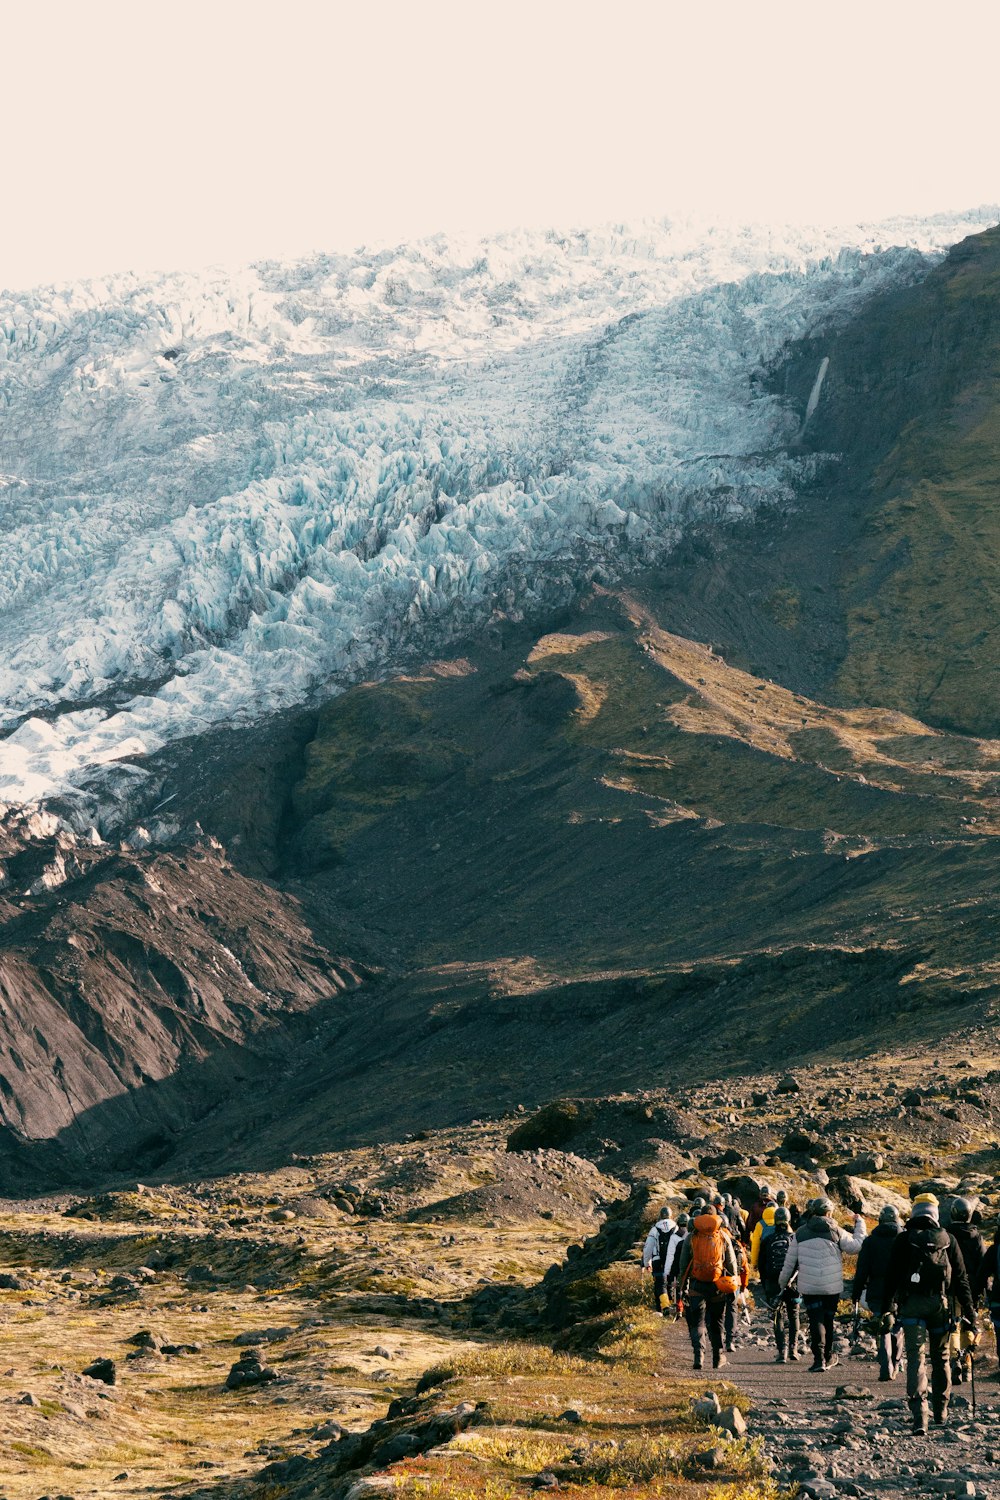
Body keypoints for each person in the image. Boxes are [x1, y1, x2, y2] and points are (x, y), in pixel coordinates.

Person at [884, 1194, 976, 1435]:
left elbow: (891, 1277)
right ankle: (941, 1412)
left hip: (912, 1305)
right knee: (942, 1358)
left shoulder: (904, 1239)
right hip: (940, 1305)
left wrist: (887, 1307)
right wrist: (970, 1313)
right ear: (935, 1214)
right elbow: (961, 1278)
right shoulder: (948, 1239)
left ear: (915, 1212)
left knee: (916, 1358)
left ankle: (919, 1416)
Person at [779, 1197, 867, 1372]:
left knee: (815, 1320)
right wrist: (860, 1225)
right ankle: (828, 1356)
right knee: (828, 1319)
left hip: (809, 1286)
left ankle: (819, 1359)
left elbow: (789, 1263)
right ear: (829, 1212)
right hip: (831, 1287)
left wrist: (782, 1283)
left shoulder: (800, 1233)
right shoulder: (837, 1231)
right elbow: (856, 1246)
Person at [676, 1202, 741, 1371]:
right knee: (717, 1321)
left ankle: (699, 1356)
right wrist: (734, 1286)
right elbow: (732, 1263)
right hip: (717, 1286)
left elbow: (683, 1265)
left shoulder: (691, 1237)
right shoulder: (722, 1236)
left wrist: (681, 1286)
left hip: (696, 1286)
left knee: (698, 1322)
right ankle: (718, 1357)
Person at [853, 1205, 905, 1380]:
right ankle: (896, 1362)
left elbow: (862, 1270)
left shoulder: (870, 1240)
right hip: (900, 1289)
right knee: (898, 1326)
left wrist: (856, 1291)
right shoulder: (904, 1238)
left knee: (882, 1326)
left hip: (877, 1289)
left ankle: (886, 1365)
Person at [946, 1198, 985, 1385]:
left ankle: (954, 1360)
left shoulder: (947, 1234)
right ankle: (967, 1362)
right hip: (972, 1288)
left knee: (954, 1325)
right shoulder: (976, 1235)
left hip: (952, 1286)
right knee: (970, 1324)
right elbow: (982, 1263)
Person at [760, 1205, 800, 1362]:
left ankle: (781, 1351)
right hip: (793, 1282)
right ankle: (793, 1349)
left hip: (772, 1281)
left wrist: (765, 1286)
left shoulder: (768, 1239)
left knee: (778, 1315)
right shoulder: (794, 1238)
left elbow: (761, 1265)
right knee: (794, 1314)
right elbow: (800, 1262)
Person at [641, 1206, 680, 1316]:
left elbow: (648, 1247)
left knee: (660, 1284)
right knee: (671, 1283)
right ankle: (673, 1307)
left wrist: (646, 1262)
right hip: (672, 1260)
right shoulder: (676, 1227)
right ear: (671, 1215)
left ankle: (664, 1306)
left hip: (658, 1261)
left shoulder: (654, 1229)